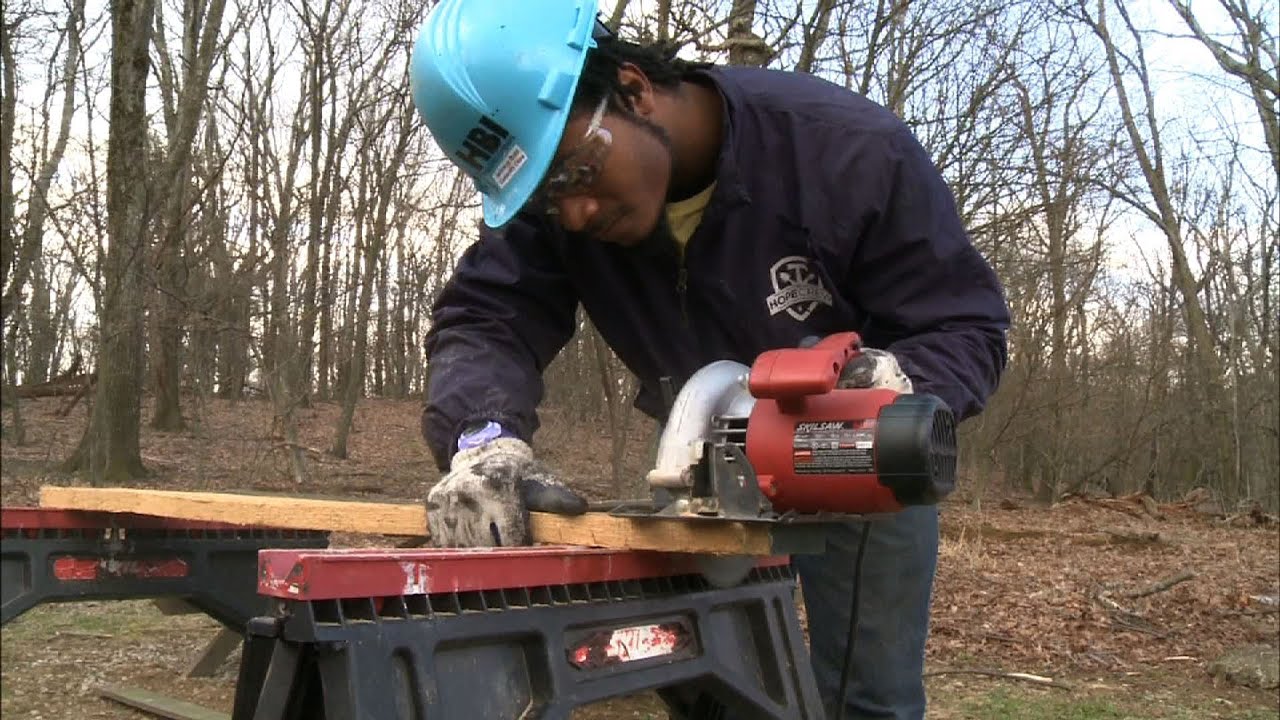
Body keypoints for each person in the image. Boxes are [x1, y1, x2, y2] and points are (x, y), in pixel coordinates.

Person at [408, 1, 1010, 718]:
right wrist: (481, 440)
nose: (572, 214)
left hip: (855, 460)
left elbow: (962, 322)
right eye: (541, 197)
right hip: (696, 468)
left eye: (573, 174)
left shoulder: (845, 149)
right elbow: (486, 316)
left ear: (631, 90)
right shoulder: (558, 203)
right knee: (717, 691)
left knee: (867, 701)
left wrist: (897, 388)